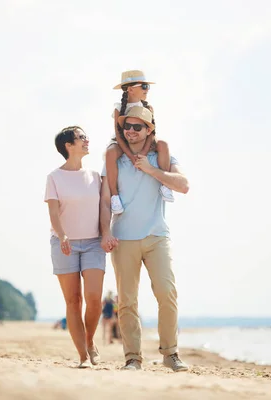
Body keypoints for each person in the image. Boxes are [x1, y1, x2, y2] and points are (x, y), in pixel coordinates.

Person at [99, 106, 190, 372]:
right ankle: (132, 358)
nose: (131, 131)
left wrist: (151, 170)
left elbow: (183, 185)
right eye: (127, 126)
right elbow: (105, 199)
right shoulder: (114, 158)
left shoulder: (162, 156)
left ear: (149, 129)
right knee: (127, 301)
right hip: (123, 238)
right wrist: (105, 232)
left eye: (137, 127)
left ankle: (170, 354)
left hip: (157, 236)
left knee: (167, 293)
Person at [44, 126, 108, 369]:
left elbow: (104, 208)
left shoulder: (95, 176)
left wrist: (106, 233)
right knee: (73, 301)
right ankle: (83, 356)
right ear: (68, 146)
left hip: (93, 243)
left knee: (94, 299)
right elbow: (53, 213)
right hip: (64, 244)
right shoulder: (54, 177)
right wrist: (62, 236)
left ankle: (90, 341)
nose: (86, 140)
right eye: (81, 138)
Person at [106, 70, 174, 215]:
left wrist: (143, 153)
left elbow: (151, 132)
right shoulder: (119, 108)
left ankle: (166, 185)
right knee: (111, 152)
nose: (147, 90)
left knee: (162, 144)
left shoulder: (148, 108)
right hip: (123, 142)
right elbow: (119, 135)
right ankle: (114, 196)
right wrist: (130, 156)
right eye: (143, 86)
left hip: (145, 141)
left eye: (147, 86)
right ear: (130, 89)